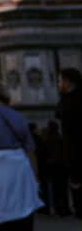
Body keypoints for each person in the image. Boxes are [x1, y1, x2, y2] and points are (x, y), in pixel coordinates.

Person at [0, 76, 40, 231]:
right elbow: (31, 153)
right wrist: (36, 181)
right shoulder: (18, 116)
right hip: (21, 169)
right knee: (24, 214)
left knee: (4, 216)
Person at [57, 67, 82, 219]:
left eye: (59, 81)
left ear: (67, 84)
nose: (58, 85)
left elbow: (71, 142)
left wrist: (74, 175)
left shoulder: (68, 106)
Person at [42, 119, 70, 216]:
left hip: (50, 165)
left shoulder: (46, 139)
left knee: (53, 188)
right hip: (61, 165)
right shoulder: (59, 139)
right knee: (63, 188)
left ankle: (55, 206)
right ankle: (64, 207)